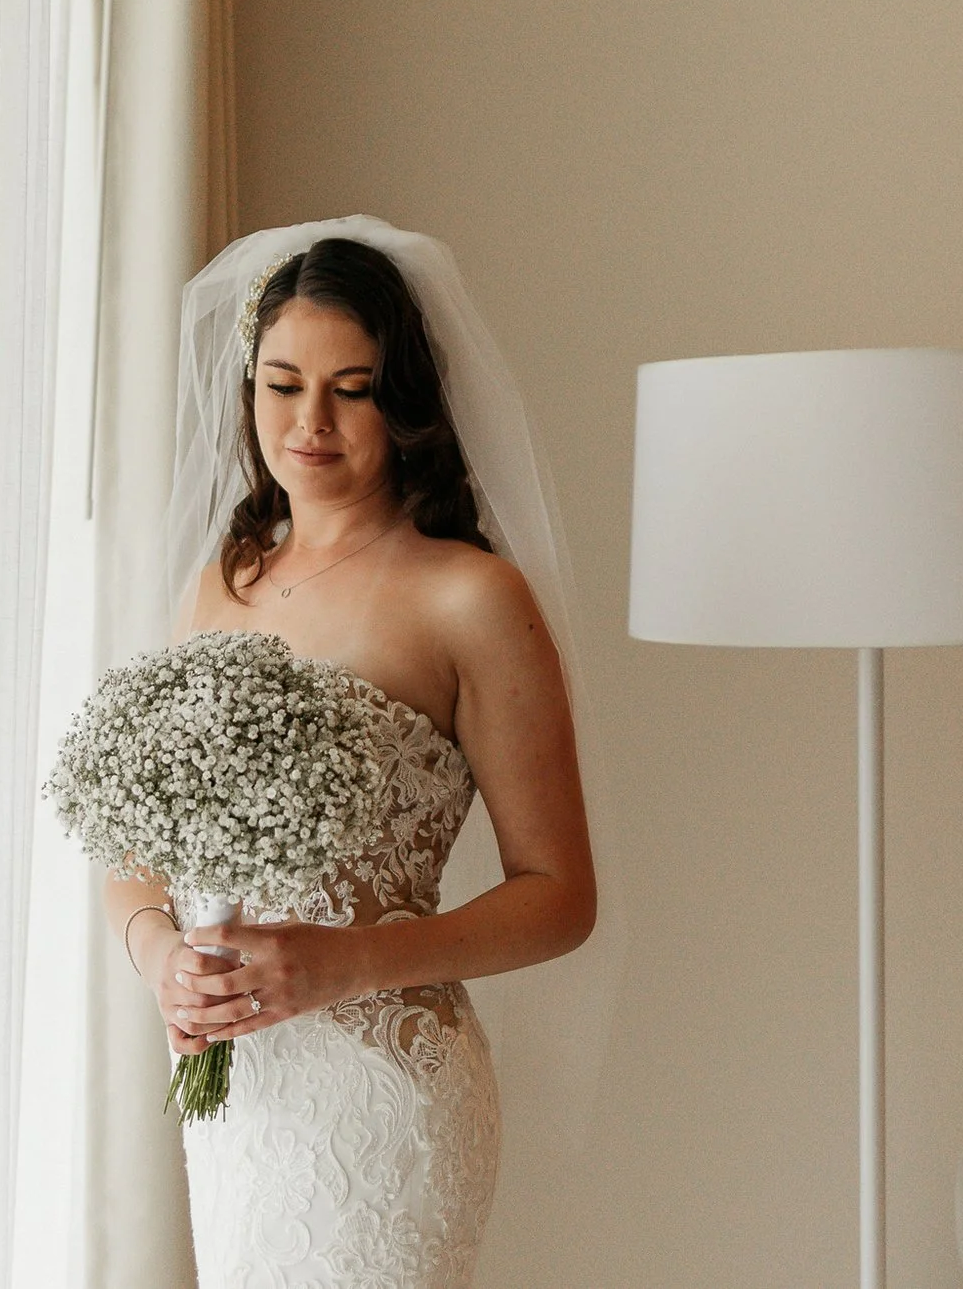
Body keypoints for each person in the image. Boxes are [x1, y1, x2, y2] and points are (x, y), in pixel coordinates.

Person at [104, 223, 597, 1287]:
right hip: (241, 1095)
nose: (309, 422)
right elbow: (137, 842)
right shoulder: (221, 582)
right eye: (282, 384)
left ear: (403, 401)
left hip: (385, 1092)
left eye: (351, 389)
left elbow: (560, 894)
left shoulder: (470, 596)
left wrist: (347, 961)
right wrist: (159, 957)